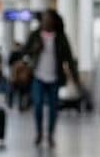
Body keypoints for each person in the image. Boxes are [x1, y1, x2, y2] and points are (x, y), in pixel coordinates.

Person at [19, 8, 77, 148]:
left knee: (53, 108)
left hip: (54, 77)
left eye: (48, 19)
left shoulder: (61, 37)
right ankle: (39, 132)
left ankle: (50, 135)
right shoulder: (35, 35)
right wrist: (34, 49)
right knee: (38, 105)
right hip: (38, 76)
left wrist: (75, 77)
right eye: (44, 19)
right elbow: (24, 52)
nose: (46, 21)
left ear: (54, 21)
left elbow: (68, 58)